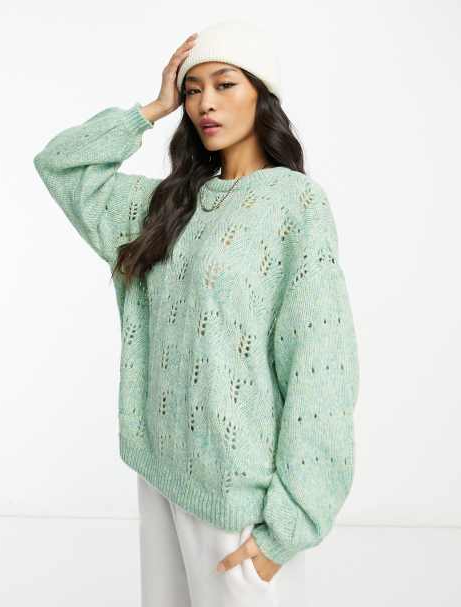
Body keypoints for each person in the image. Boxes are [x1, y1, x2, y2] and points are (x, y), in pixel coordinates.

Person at [33, 18, 360, 607]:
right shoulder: (164, 206)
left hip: (237, 501)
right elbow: (59, 164)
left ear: (261, 93)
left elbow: (321, 364)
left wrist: (289, 528)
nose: (205, 103)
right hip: (161, 476)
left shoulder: (294, 204)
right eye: (192, 89)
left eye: (225, 83)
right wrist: (150, 109)